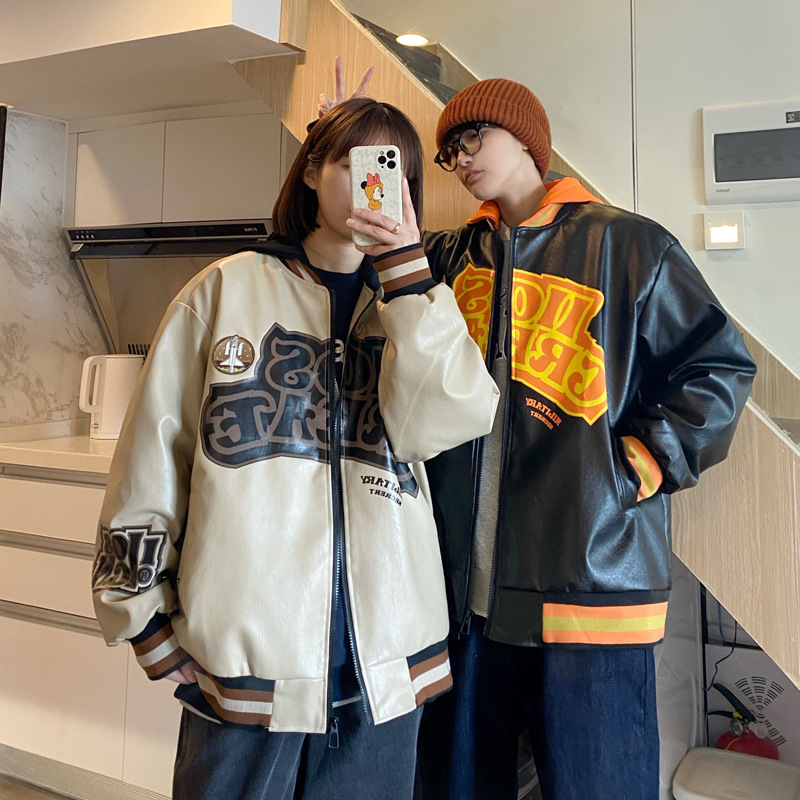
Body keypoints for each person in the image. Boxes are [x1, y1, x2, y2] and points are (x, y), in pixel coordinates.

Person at [336, 72, 757, 799]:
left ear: (526, 136)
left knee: (597, 786)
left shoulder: (628, 245)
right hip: (463, 599)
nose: (461, 159)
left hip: (591, 586)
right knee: (457, 786)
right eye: (449, 151)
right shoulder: (447, 257)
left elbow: (717, 366)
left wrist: (637, 466)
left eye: (474, 137)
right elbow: (371, 296)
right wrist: (345, 145)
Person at [90, 96, 499, 800]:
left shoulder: (417, 304)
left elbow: (449, 421)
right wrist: (141, 617)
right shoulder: (224, 290)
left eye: (390, 171)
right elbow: (153, 457)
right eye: (351, 164)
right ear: (311, 171)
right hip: (247, 664)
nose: (371, 186)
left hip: (387, 664)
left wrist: (406, 275)